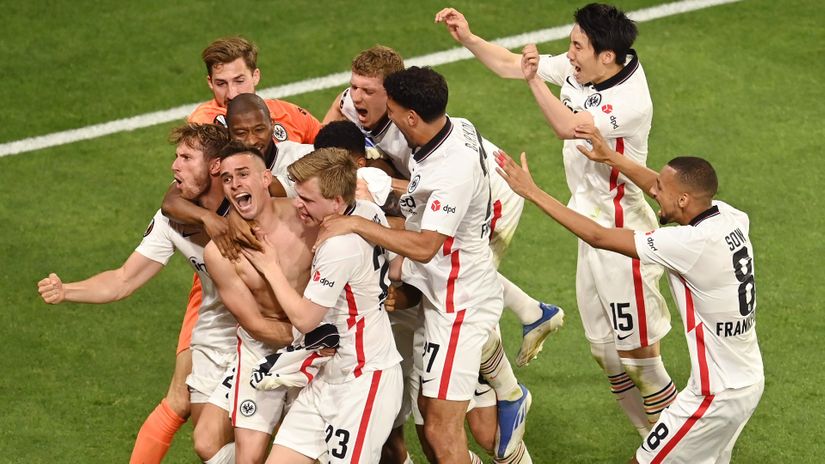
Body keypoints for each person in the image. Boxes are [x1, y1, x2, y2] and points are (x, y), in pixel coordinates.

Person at [436, 4, 678, 435]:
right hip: (588, 228)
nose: (569, 53)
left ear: (607, 56)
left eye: (577, 46)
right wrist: (469, 38)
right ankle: (652, 443)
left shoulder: (630, 101)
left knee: (641, 360)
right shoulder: (583, 67)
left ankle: (683, 450)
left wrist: (534, 81)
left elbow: (569, 127)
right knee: (605, 355)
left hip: (622, 234)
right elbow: (511, 64)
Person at [495, 127, 763, 463]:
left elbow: (599, 236)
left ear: (683, 200)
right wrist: (611, 157)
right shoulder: (730, 217)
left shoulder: (687, 245)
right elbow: (658, 185)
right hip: (748, 380)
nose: (654, 191)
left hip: (714, 395)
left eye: (661, 189)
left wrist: (531, 192)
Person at [317, 66, 527, 464]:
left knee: (441, 431)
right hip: (440, 294)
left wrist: (357, 223)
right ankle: (506, 389)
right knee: (429, 418)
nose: (390, 118)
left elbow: (427, 245)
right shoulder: (455, 127)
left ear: (412, 117)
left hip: (457, 305)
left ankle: (511, 394)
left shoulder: (451, 171)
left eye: (394, 111)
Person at [37, 123, 240, 463]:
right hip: (217, 334)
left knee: (236, 439)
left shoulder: (248, 204)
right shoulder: (170, 220)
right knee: (210, 443)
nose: (175, 165)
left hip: (267, 335)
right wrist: (66, 290)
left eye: (186, 158)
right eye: (176, 156)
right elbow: (123, 279)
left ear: (215, 165)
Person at [235, 147, 403, 464]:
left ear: (336, 202)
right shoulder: (366, 211)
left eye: (307, 199)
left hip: (363, 381)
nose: (297, 203)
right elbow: (395, 268)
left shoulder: (340, 247)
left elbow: (305, 319)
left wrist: (270, 267)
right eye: (298, 195)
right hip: (329, 375)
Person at [203, 142, 317, 464]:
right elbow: (254, 323)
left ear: (266, 178)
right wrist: (312, 336)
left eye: (243, 174)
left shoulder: (305, 218)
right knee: (248, 456)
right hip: (263, 350)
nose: (234, 184)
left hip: (316, 347)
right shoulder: (220, 252)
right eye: (227, 179)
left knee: (319, 451)